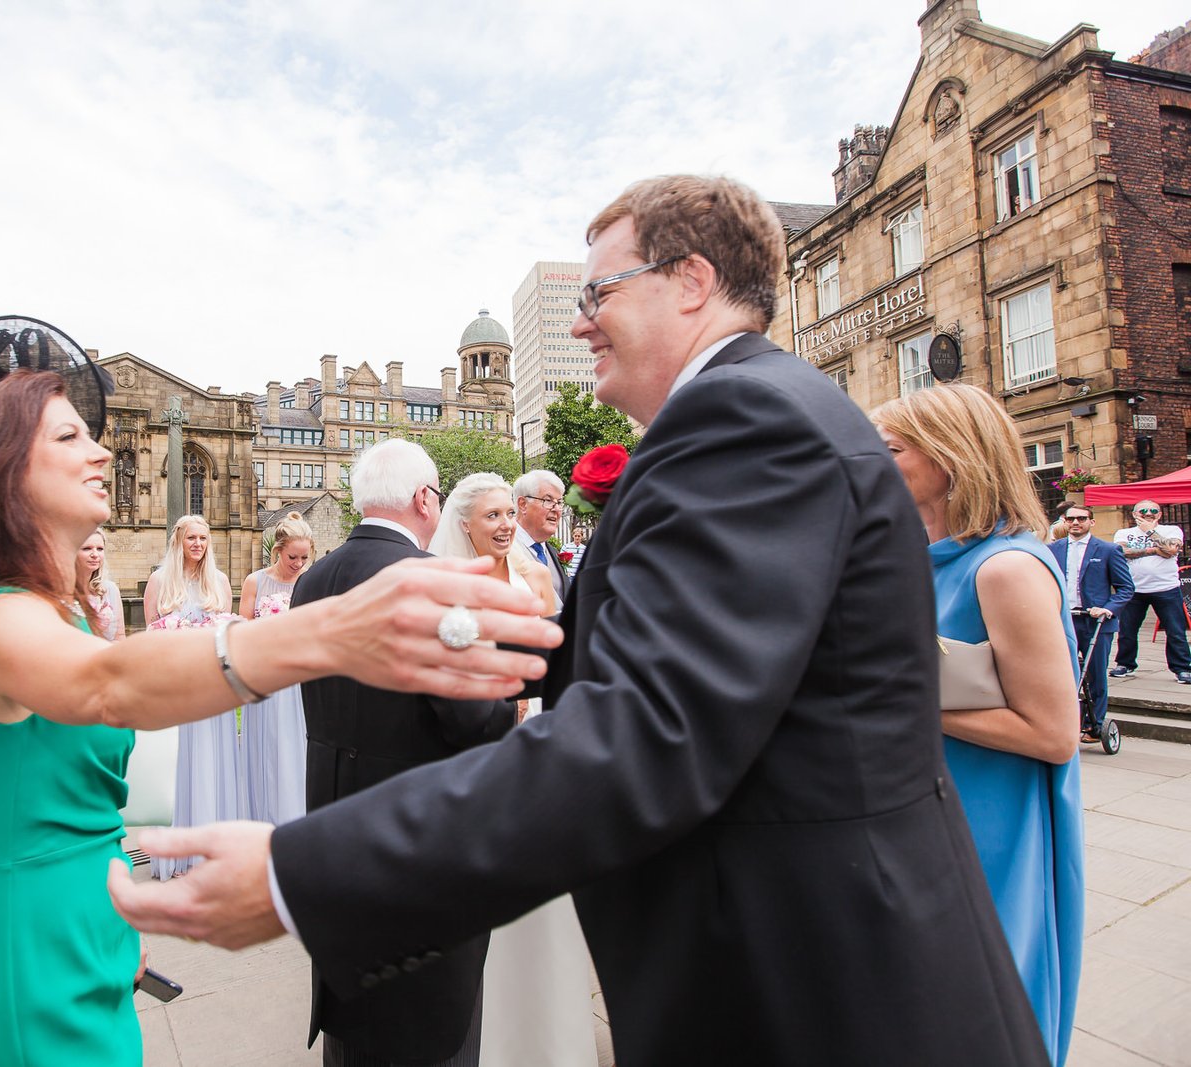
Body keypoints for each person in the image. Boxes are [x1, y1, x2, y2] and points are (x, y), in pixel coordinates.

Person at [110, 175, 1053, 1066]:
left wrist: (299, 874)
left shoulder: (746, 421)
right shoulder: (744, 415)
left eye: (601, 288)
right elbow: (635, 670)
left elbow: (648, 733)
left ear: (693, 282)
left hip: (823, 987)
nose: (578, 319)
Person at [0, 371, 556, 1067]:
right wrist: (328, 632)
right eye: (71, 435)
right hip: (26, 956)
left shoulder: (51, 608)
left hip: (90, 931)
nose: (102, 452)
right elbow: (110, 683)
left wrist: (113, 922)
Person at [873, 383, 1085, 1063]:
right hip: (930, 805)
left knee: (984, 1007)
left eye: (893, 450)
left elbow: (1053, 733)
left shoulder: (1007, 569)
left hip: (992, 819)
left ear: (950, 457)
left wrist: (909, 700)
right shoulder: (924, 558)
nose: (876, 464)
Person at [290, 441, 517, 1067]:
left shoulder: (313, 578)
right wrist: (512, 708)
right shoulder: (436, 583)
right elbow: (474, 719)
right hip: (423, 834)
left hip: (335, 822)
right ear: (424, 499)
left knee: (355, 1010)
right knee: (434, 1020)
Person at [427, 472, 597, 1067]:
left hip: (538, 741)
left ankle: (544, 1036)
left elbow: (561, 651)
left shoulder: (532, 578)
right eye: (492, 516)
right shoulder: (447, 587)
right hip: (481, 745)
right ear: (464, 524)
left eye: (508, 515)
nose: (504, 526)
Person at [146, 514, 243, 877]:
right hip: (175, 686)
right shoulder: (159, 581)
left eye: (203, 539)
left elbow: (225, 635)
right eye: (192, 539)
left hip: (211, 687)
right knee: (180, 765)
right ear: (178, 541)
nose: (198, 545)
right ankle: (178, 852)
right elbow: (152, 638)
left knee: (212, 761)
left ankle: (211, 850)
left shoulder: (217, 582)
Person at [239, 511, 314, 825]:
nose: (298, 564)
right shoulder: (255, 581)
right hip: (266, 677)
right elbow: (242, 631)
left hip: (299, 679)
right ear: (278, 550)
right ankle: (263, 820)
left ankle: (298, 818)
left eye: (304, 558)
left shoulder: (311, 581)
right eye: (292, 557)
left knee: (297, 749)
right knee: (266, 751)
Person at [1048, 503, 1134, 742]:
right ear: (1065, 521)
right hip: (1065, 619)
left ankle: (1094, 725)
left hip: (1095, 621)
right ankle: (1065, 722)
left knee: (1095, 673)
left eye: (1082, 519)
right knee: (1063, 673)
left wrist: (1107, 608)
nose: (1076, 523)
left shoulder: (1108, 549)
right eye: (1072, 519)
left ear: (1091, 522)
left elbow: (1126, 588)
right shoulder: (1053, 549)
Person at [1110, 499, 1191, 683]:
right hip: (1134, 588)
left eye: (1153, 510)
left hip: (1166, 588)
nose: (1148, 513)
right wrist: (1156, 549)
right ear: (1134, 514)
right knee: (1127, 630)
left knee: (1175, 630)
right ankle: (1125, 663)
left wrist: (1150, 532)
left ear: (1160, 514)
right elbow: (1121, 551)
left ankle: (1182, 668)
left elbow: (1172, 549)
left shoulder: (1172, 530)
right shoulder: (1124, 532)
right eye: (1143, 510)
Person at [512, 469, 568, 604]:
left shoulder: (553, 552)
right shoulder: (504, 550)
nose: (556, 509)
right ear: (523, 504)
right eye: (548, 500)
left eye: (559, 502)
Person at [75, 528, 123, 641]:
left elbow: (119, 636)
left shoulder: (110, 589)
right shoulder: (59, 590)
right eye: (87, 548)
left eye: (100, 549)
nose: (95, 554)